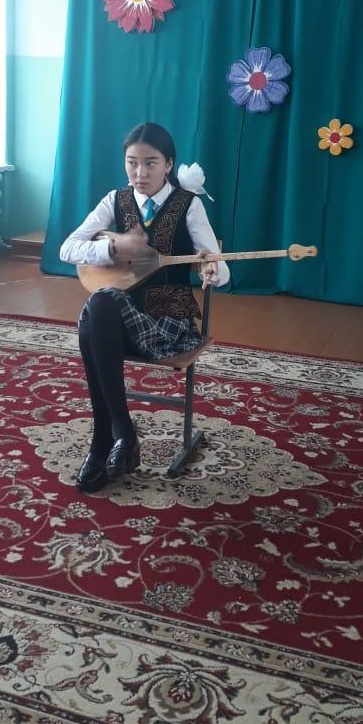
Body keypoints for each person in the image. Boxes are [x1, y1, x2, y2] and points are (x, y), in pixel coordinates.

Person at [59, 122, 230, 493]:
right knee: (102, 304)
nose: (140, 173)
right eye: (132, 162)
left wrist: (210, 268)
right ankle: (116, 435)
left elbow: (222, 268)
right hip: (119, 325)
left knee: (94, 317)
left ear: (168, 164)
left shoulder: (189, 205)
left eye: (151, 163)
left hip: (167, 326)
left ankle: (108, 437)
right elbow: (67, 249)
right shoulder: (114, 201)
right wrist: (111, 248)